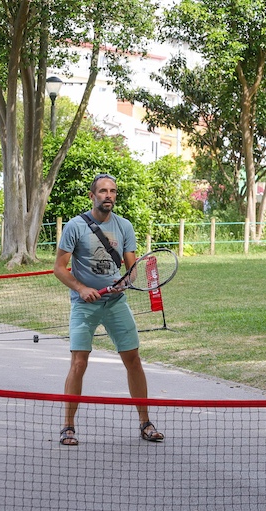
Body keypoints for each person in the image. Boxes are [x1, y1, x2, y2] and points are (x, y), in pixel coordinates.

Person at [53, 173, 164, 447]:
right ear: (92, 196)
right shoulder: (75, 227)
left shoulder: (124, 226)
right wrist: (81, 289)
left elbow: (132, 269)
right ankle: (68, 426)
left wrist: (124, 284)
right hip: (84, 305)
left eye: (113, 191)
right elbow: (59, 268)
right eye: (103, 191)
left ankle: (145, 422)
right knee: (79, 363)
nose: (109, 196)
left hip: (115, 303)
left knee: (133, 360)